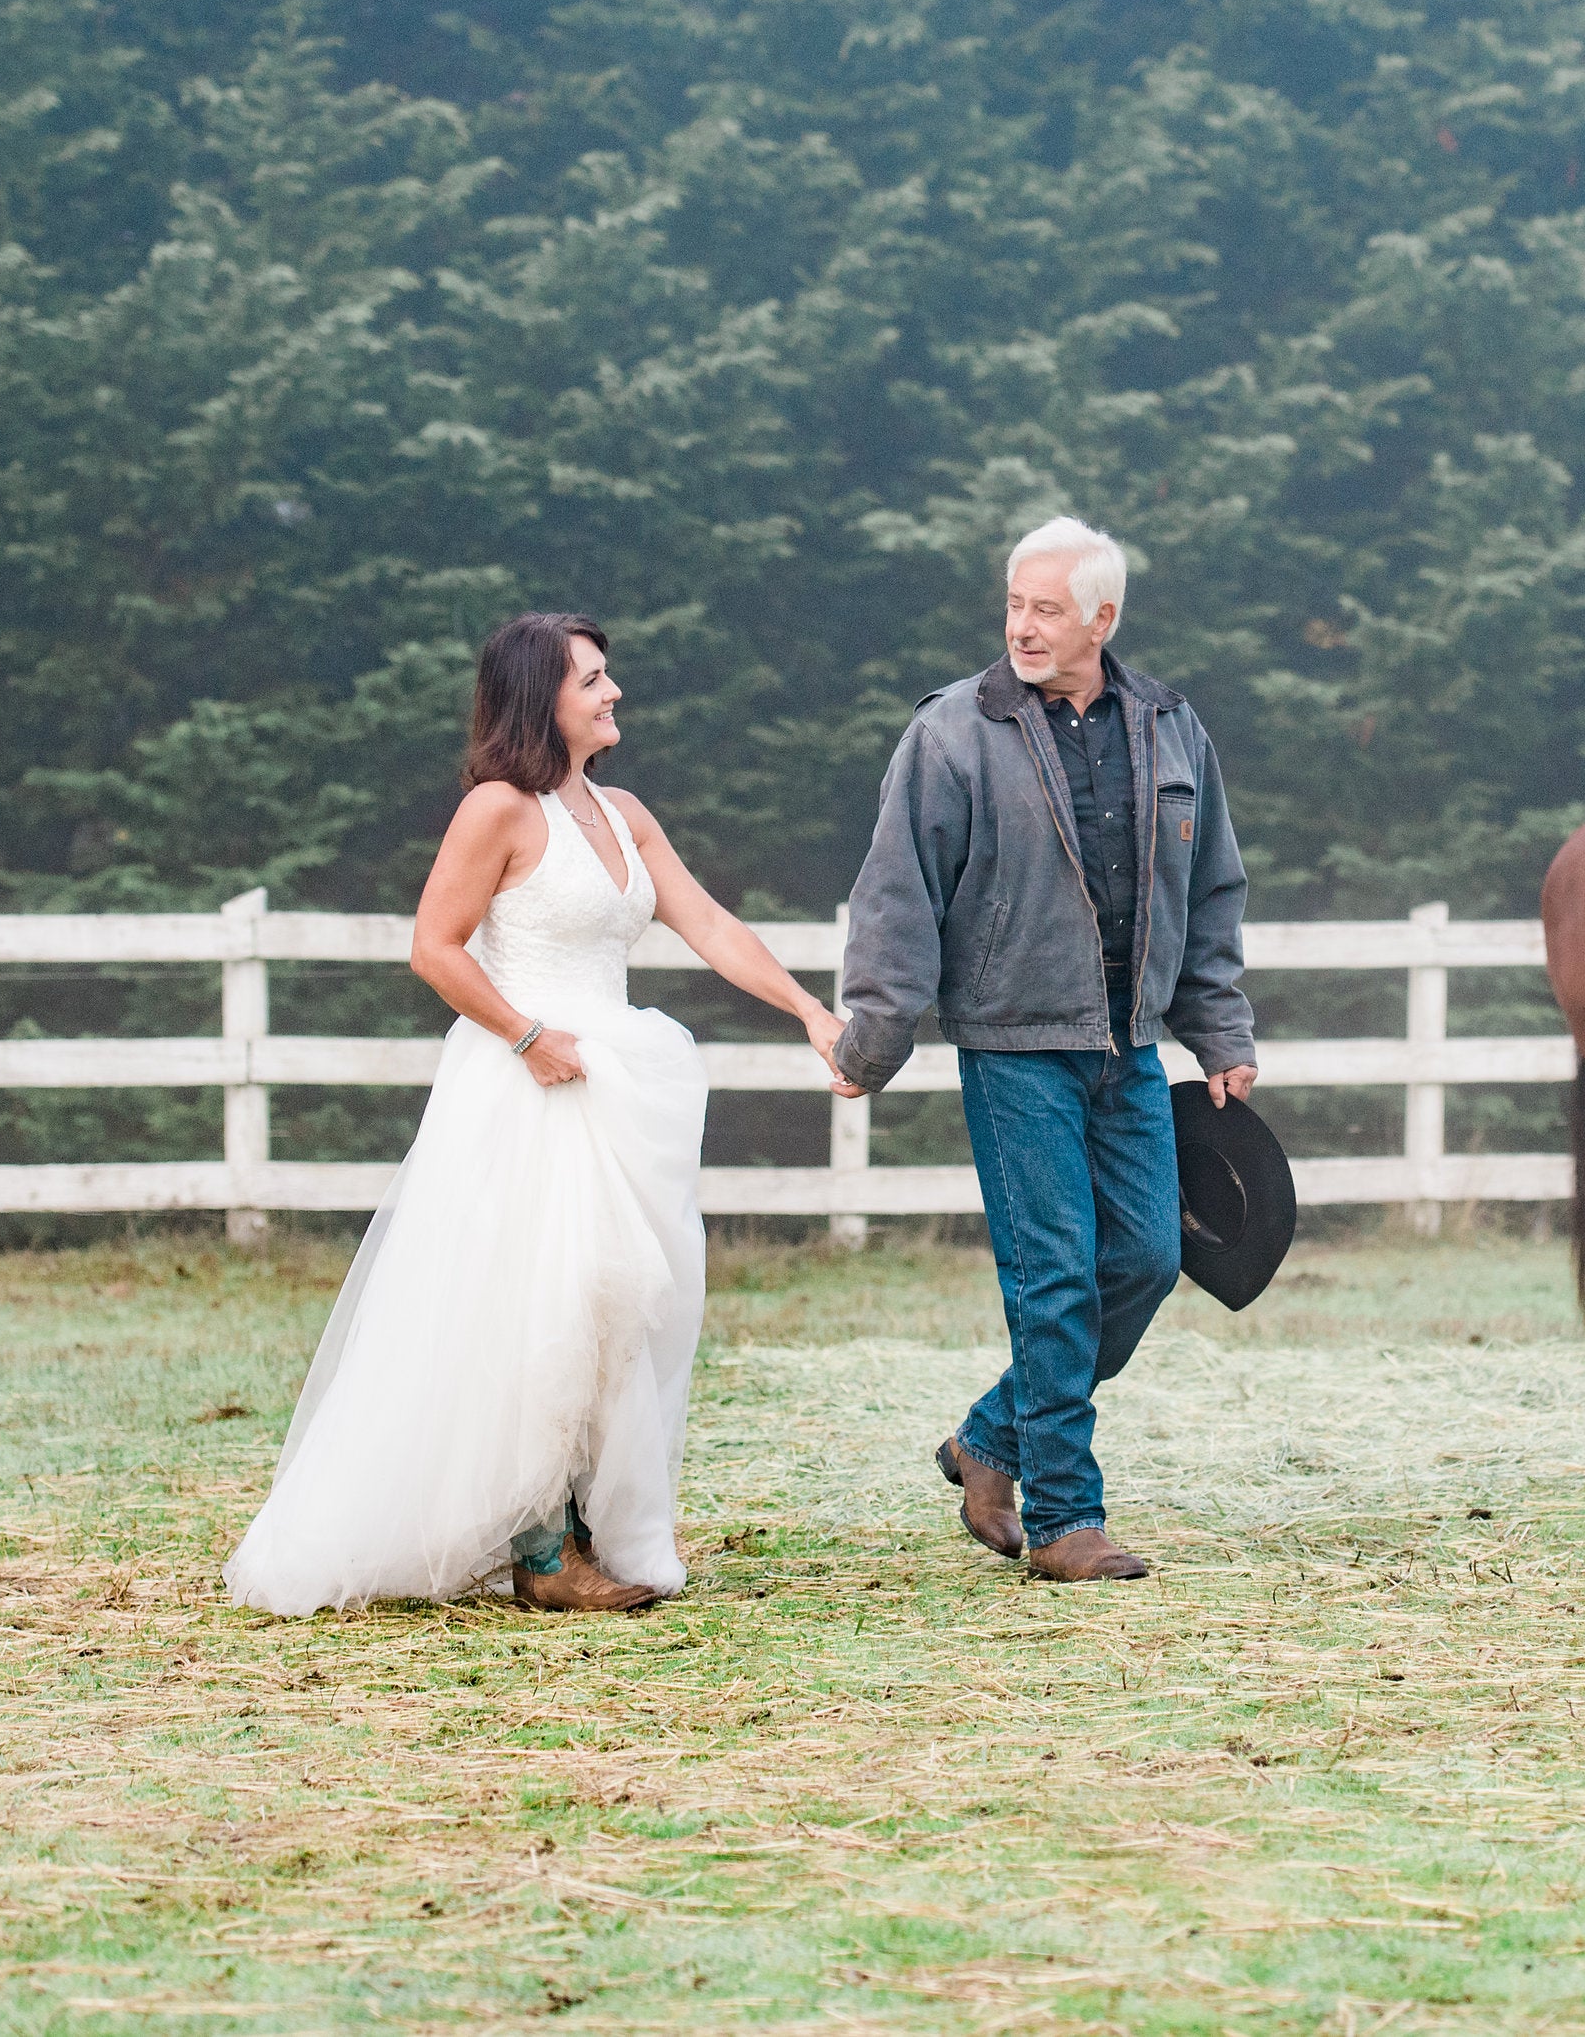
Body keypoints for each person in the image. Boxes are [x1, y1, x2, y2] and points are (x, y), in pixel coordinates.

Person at [226, 613, 846, 1616]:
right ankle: (541, 1554)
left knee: (621, 1304)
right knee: (536, 1309)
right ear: (540, 699)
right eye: (592, 680)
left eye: (608, 677)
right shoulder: (499, 812)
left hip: (612, 1080)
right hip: (524, 1084)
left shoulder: (625, 813)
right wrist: (523, 1035)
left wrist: (810, 1013)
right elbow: (435, 946)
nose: (613, 694)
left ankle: (600, 1524)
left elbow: (711, 924)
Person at [831, 517, 1257, 1583]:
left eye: (1047, 609)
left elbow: (1208, 893)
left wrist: (1220, 1031)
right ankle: (1066, 1518)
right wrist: (871, 1040)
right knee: (1055, 1277)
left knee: (1151, 1260)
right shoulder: (952, 732)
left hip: (1132, 1048)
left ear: (1101, 619)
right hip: (1015, 1047)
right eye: (1015, 604)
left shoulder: (1171, 725)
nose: (1023, 625)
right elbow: (897, 893)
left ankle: (988, 1438)